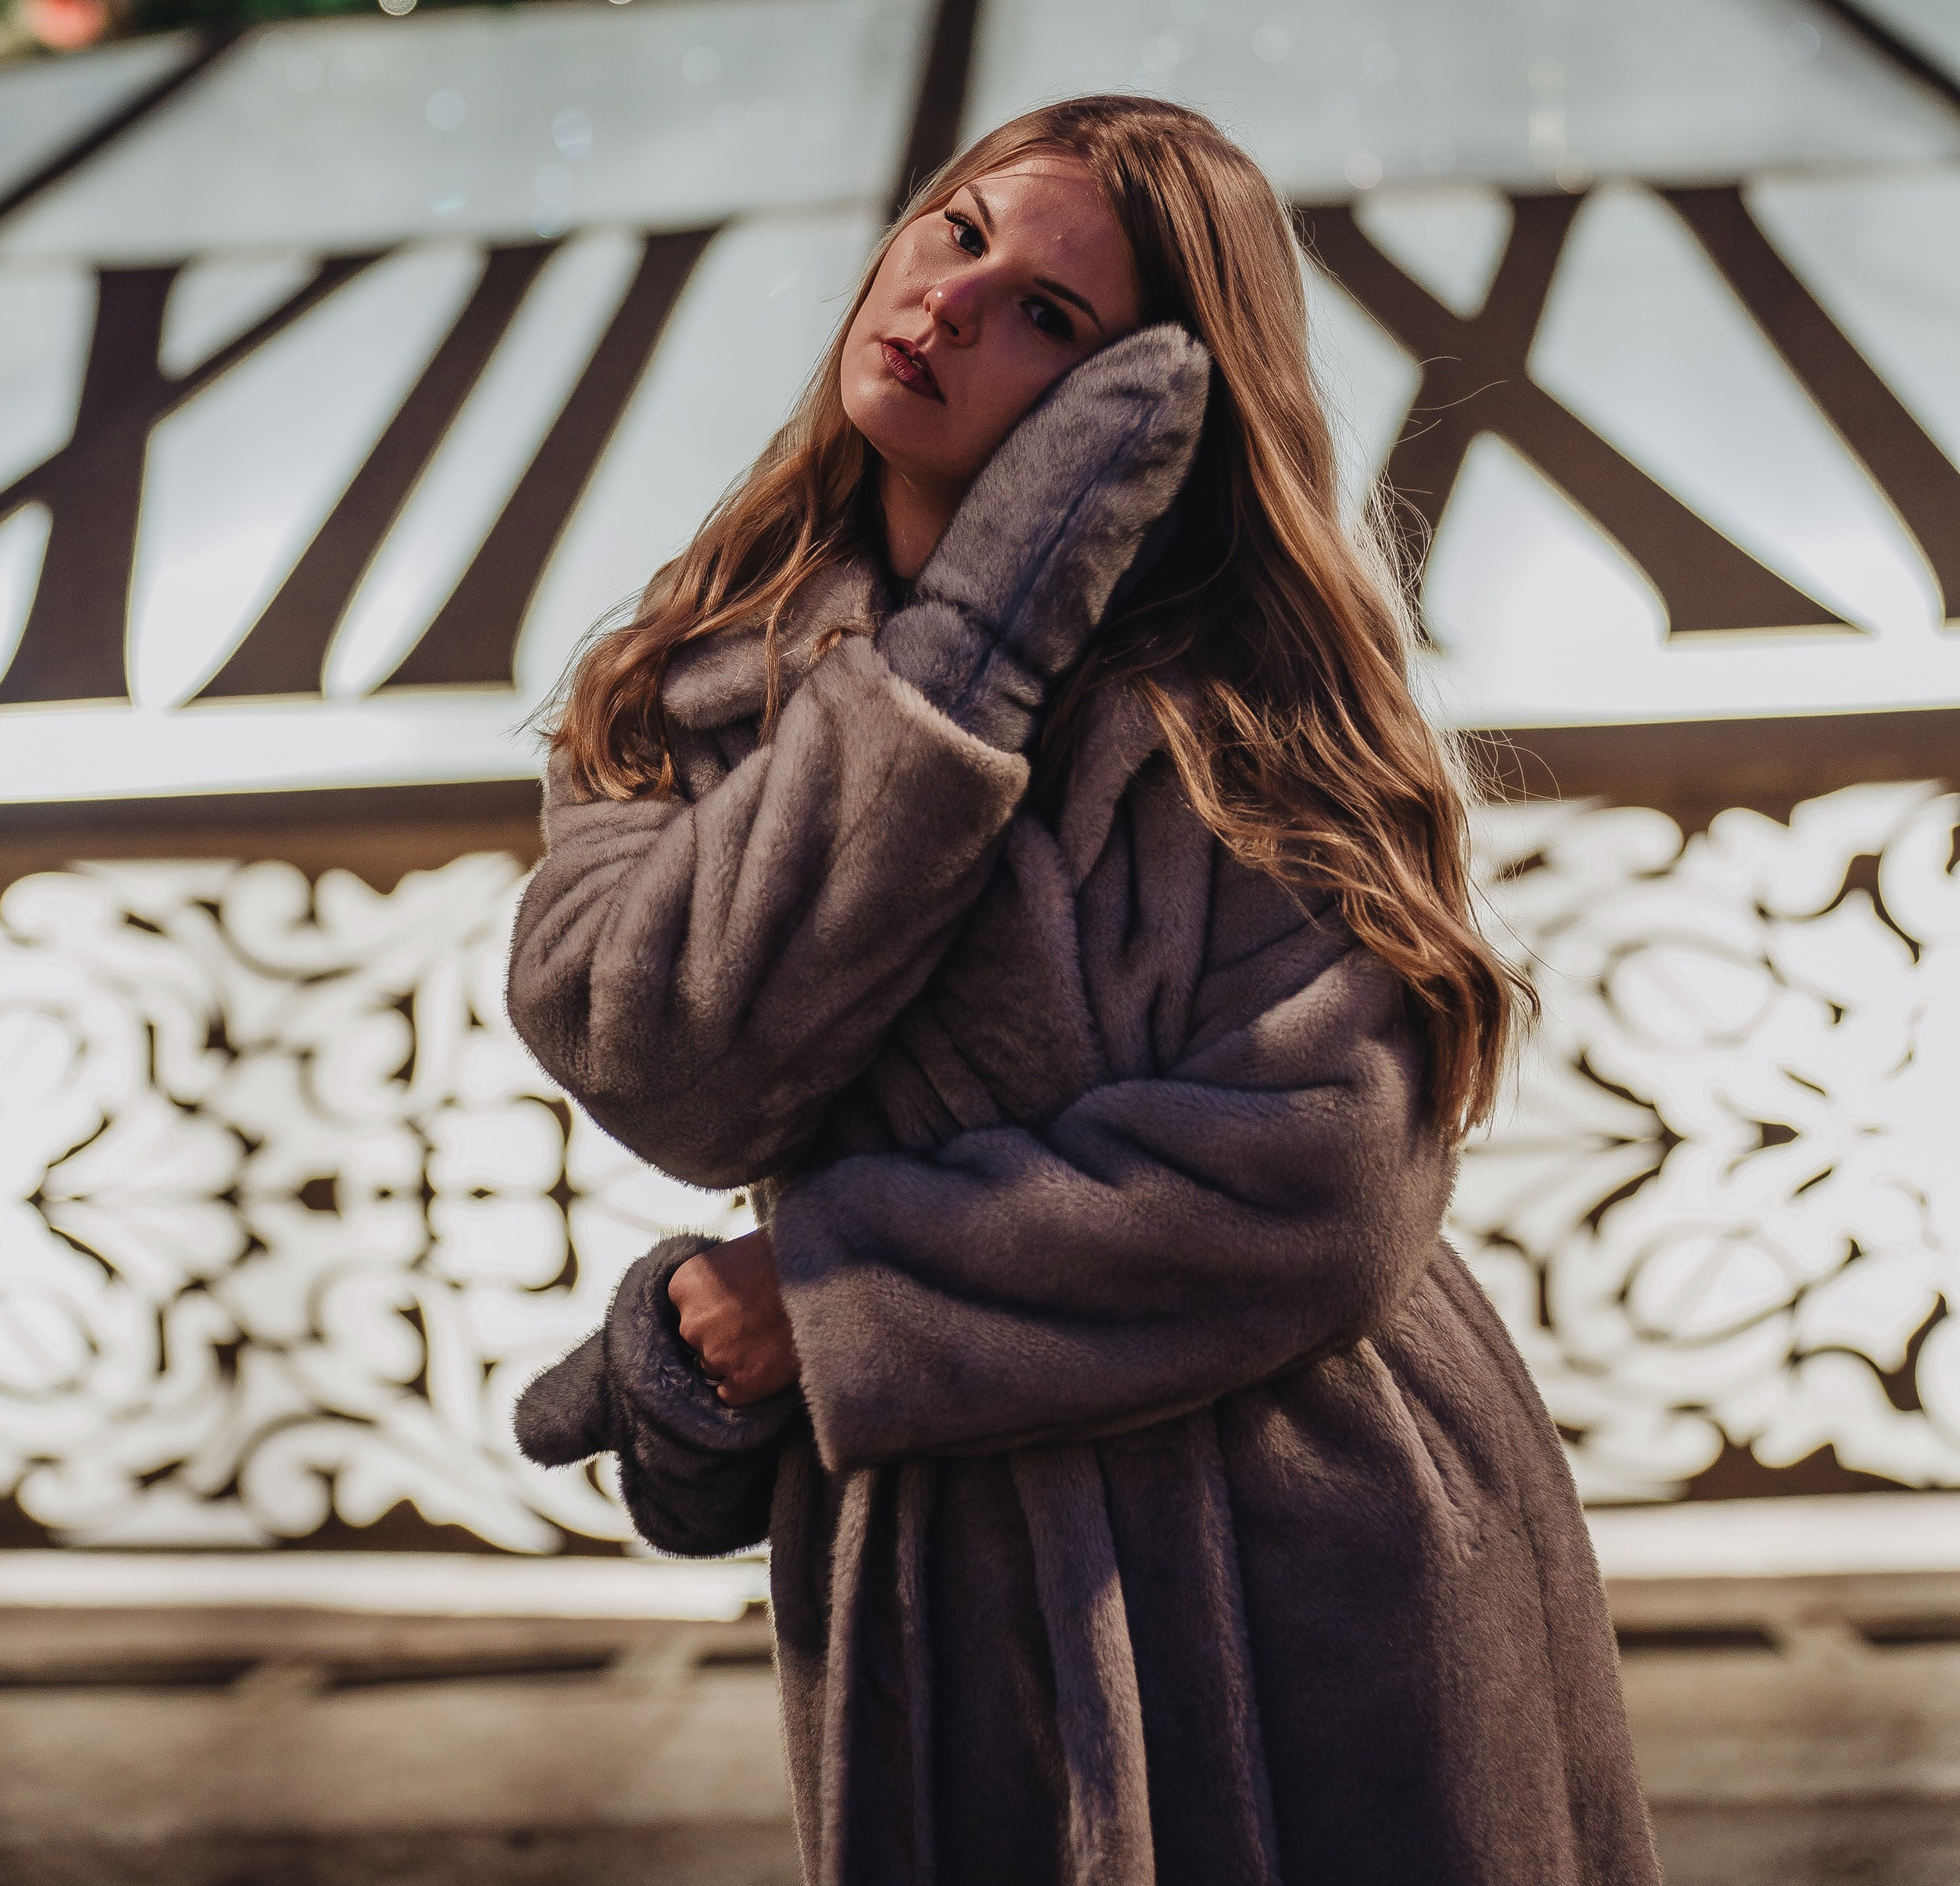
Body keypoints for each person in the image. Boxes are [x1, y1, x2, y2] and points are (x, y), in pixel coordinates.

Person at [507, 95, 1659, 1886]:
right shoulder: (676, 695)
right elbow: (672, 1069)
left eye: (1050, 315)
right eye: (958, 235)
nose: (954, 305)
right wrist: (964, 649)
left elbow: (1317, 1187)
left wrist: (830, 1301)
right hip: (937, 1605)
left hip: (1318, 1561)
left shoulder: (1253, 716)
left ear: (1150, 408)